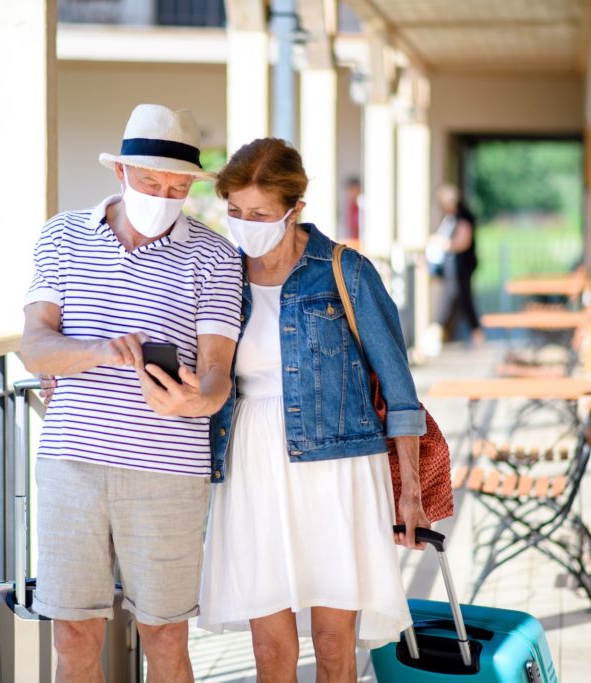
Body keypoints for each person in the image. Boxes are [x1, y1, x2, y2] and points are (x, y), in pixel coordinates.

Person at [20, 103, 243, 683]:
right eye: (151, 183)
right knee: (72, 634)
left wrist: (196, 399)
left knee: (166, 635)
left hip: (168, 472)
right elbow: (35, 348)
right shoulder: (62, 234)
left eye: (178, 188)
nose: (165, 197)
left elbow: (217, 375)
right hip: (71, 465)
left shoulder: (216, 256)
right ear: (120, 173)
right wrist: (96, 350)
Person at [198, 138, 429, 682]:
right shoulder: (220, 275)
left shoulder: (345, 271)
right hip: (252, 465)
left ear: (295, 209)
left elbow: (400, 390)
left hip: (339, 469)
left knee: (332, 644)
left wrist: (411, 489)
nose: (244, 224)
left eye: (259, 213)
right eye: (233, 211)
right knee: (271, 652)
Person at [425, 184, 484, 352]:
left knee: (461, 298)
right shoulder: (451, 217)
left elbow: (462, 242)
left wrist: (443, 244)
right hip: (451, 266)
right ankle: (442, 332)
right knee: (454, 299)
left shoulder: (462, 217)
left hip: (461, 265)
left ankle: (472, 333)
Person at [343, 175, 363, 246]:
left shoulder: (362, 206)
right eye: (352, 190)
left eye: (356, 190)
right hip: (353, 242)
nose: (353, 193)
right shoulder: (350, 206)